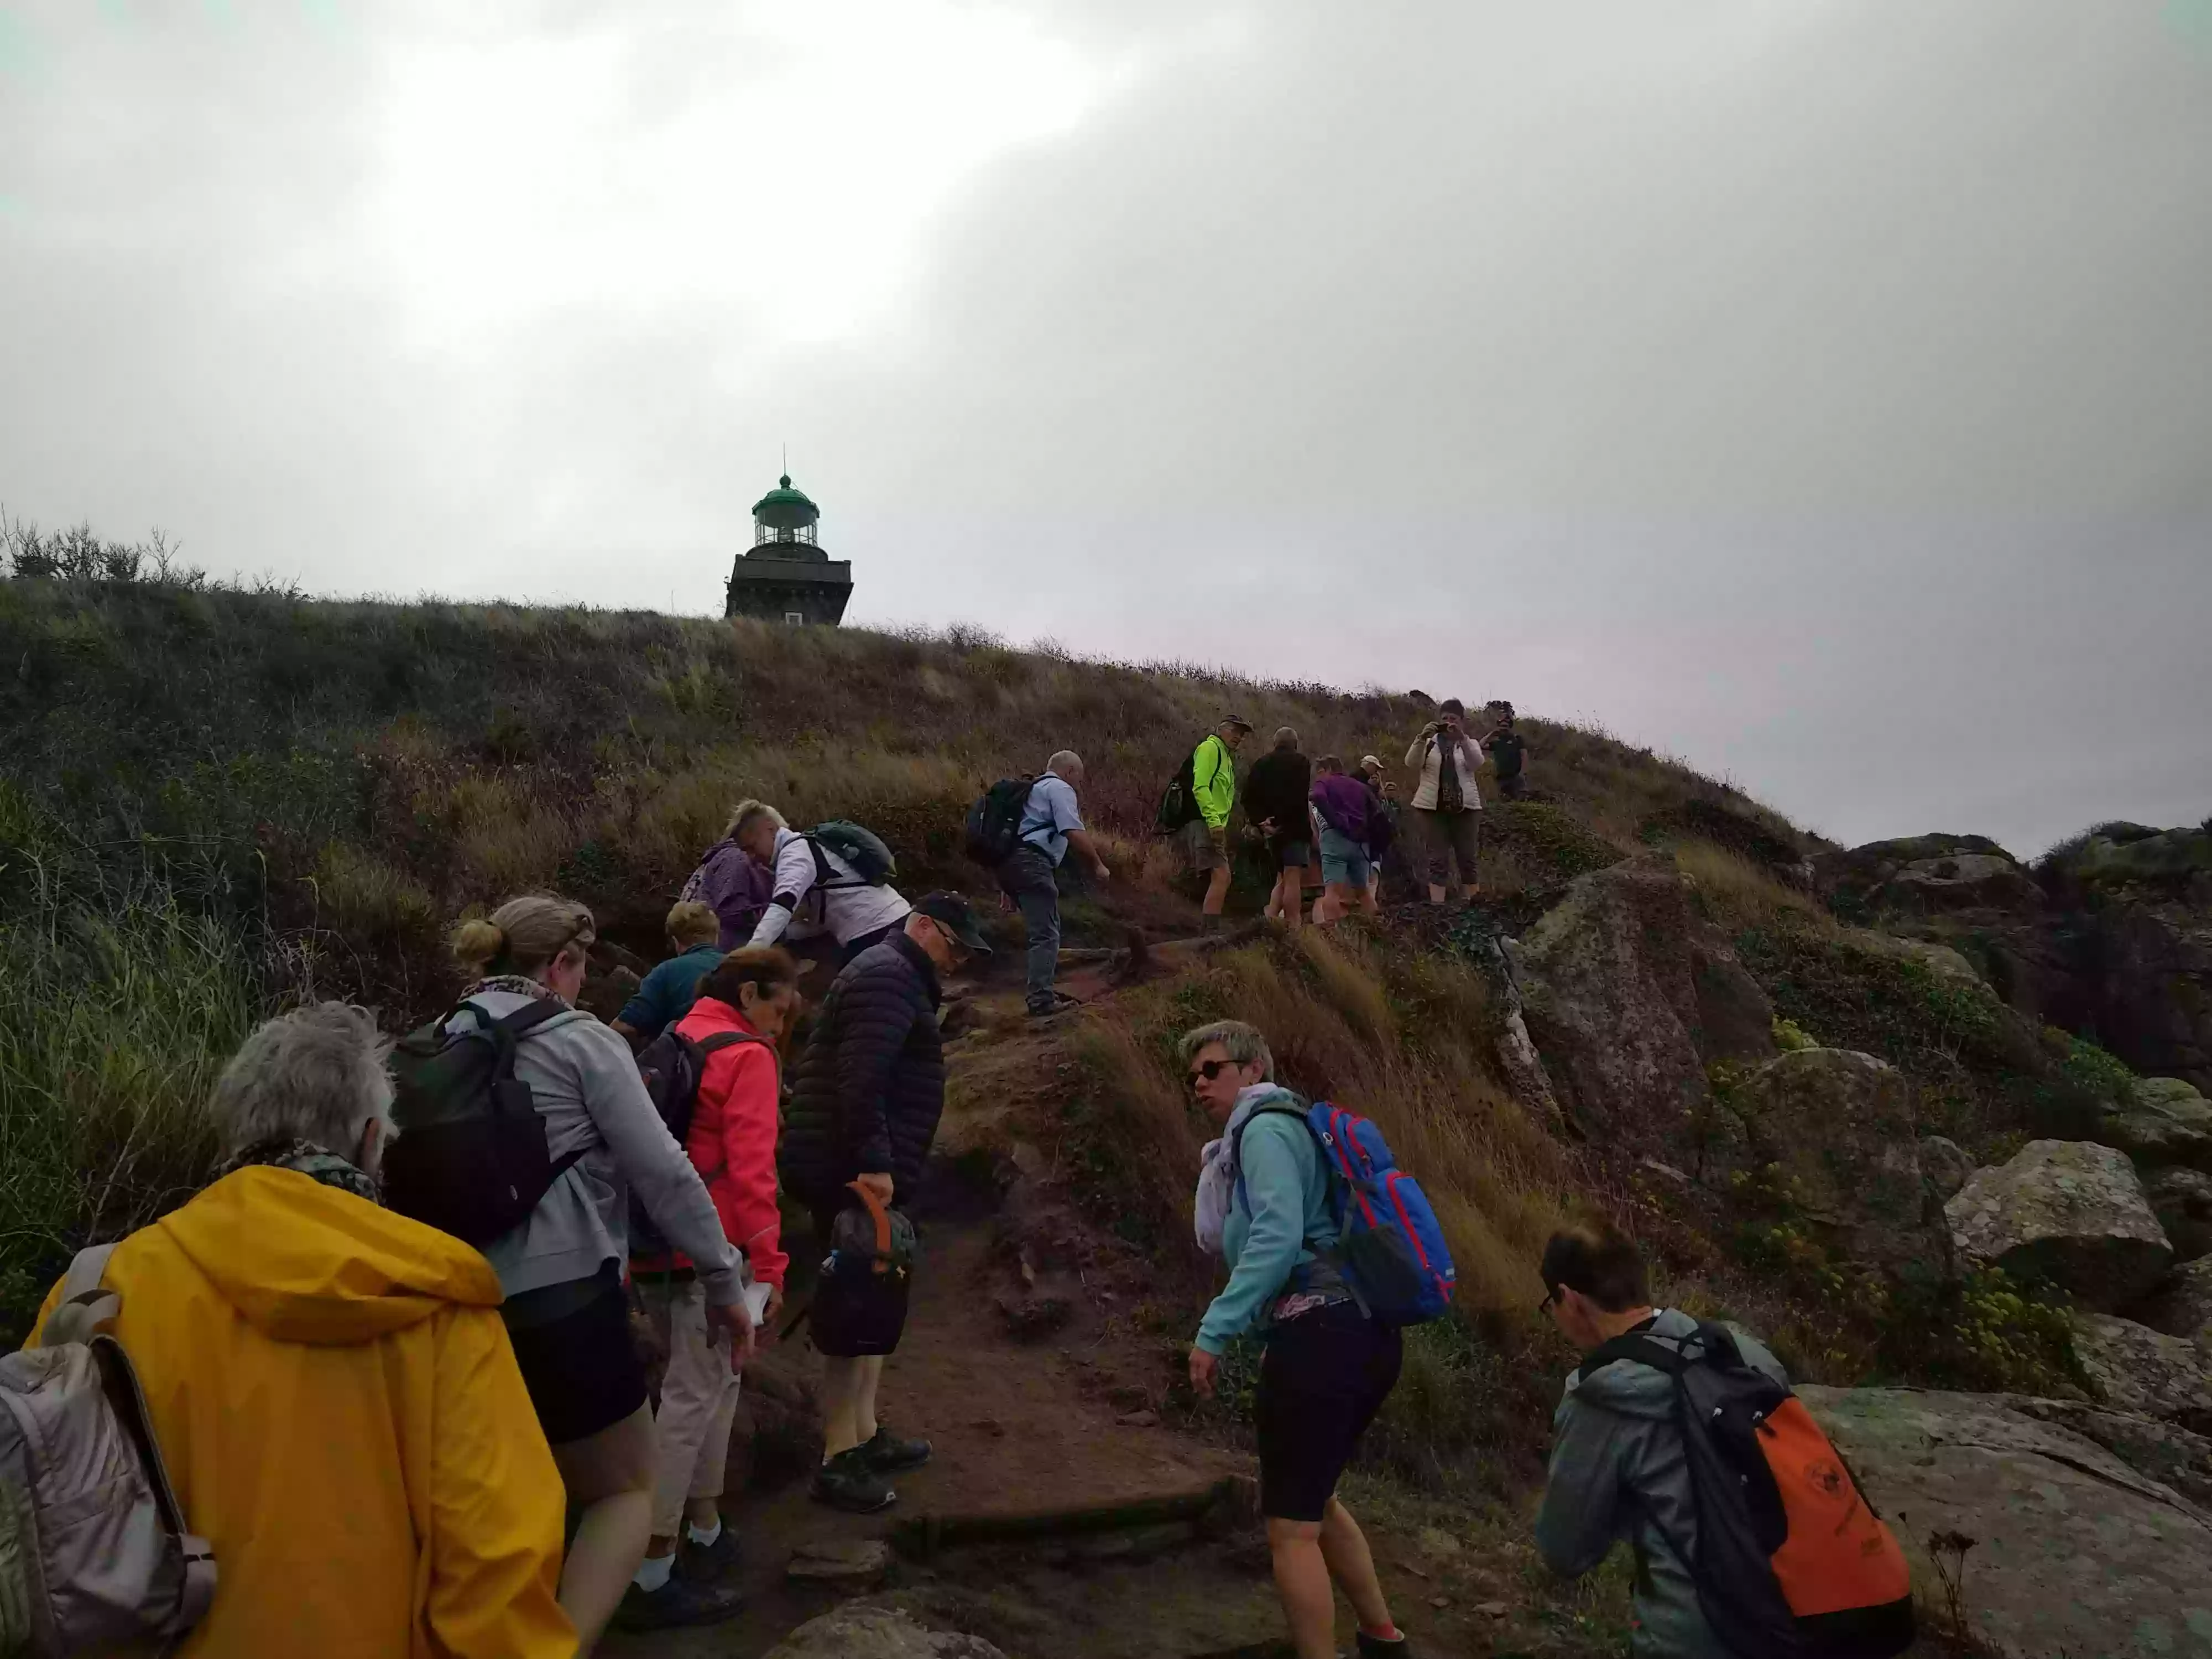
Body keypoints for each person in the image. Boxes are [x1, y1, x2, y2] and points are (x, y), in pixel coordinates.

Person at [21, 1003, 576, 1658]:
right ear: (372, 1140)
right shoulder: (435, 1298)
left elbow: (37, 1530)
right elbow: (498, 1569)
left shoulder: (95, 1289)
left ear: (235, 1136)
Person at [448, 895, 757, 1651]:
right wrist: (724, 1282)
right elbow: (666, 1174)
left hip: (455, 1302)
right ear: (561, 965)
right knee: (624, 1489)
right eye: (581, 969)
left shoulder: (439, 1036)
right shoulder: (578, 1040)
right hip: (565, 1297)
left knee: (518, 1491)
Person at [1182, 1020, 1411, 1659]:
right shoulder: (1290, 1128)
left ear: (1253, 1070)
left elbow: (1276, 1236)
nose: (1198, 1083)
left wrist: (1214, 1330)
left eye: (1212, 1069)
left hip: (1319, 1338)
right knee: (1316, 1498)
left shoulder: (1264, 1131)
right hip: (1363, 1333)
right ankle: (1382, 1639)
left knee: (1289, 1528)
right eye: (1193, 1075)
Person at [782, 893, 990, 1512]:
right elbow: (862, 1077)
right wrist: (875, 1162)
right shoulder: (888, 978)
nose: (957, 961)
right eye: (953, 945)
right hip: (851, 1171)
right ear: (920, 926)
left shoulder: (896, 974)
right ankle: (837, 1457)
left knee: (875, 1296)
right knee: (853, 1310)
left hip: (864, 1167)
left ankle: (864, 1434)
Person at [620, 947, 802, 1631]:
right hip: (715, 1254)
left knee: (713, 1384)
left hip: (654, 1250)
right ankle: (649, 1568)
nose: (780, 1028)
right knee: (695, 1397)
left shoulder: (679, 1037)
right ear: (750, 993)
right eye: (778, 1010)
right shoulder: (746, 1057)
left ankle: (703, 1528)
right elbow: (754, 1175)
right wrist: (771, 1266)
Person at [1535, 1221, 1793, 1658]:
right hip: (1799, 1612)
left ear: (1571, 1300)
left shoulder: (1600, 1396)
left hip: (1693, 1633)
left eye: (1550, 1305)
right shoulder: (1743, 1352)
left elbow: (1566, 1552)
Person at [996, 750, 1112, 1018]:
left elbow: (1014, 835)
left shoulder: (1032, 790)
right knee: (1046, 934)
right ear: (1070, 772)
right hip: (1033, 862)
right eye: (1078, 778)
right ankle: (1041, 1000)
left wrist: (1006, 885)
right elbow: (1071, 829)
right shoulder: (1059, 788)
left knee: (1042, 930)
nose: (1078, 785)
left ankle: (1040, 991)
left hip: (1011, 863)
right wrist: (1097, 864)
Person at [735, 799, 914, 963]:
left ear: (770, 828)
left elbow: (783, 904)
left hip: (877, 932)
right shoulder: (807, 847)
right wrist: (785, 934)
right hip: (895, 923)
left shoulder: (794, 853)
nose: (750, 858)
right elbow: (821, 923)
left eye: (752, 847)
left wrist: (748, 956)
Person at [1403, 698, 1485, 905]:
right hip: (1432, 809)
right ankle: (1437, 905)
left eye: (1454, 719)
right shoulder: (1429, 744)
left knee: (1467, 858)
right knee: (1437, 859)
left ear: (1462, 721)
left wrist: (1463, 739)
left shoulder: (1469, 743)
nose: (1449, 722)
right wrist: (1421, 738)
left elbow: (1476, 763)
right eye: (1445, 718)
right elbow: (1412, 763)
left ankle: (1474, 903)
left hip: (1466, 809)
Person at [612, 899, 725, 1047]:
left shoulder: (667, 971)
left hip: (689, 1059)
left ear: (675, 941)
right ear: (716, 936)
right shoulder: (740, 966)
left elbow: (625, 1026)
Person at [1182, 714, 1252, 919]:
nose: (1238, 737)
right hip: (1206, 822)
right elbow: (1200, 786)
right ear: (1221, 729)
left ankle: (1205, 929)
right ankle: (1209, 934)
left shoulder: (1225, 757)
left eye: (1242, 734)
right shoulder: (1210, 748)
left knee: (1216, 876)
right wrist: (1214, 822)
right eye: (1234, 731)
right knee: (1222, 876)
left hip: (1211, 823)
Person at [1243, 727, 1312, 931]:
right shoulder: (1301, 763)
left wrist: (1262, 822)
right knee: (1292, 877)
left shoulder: (1261, 764)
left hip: (1270, 830)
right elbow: (1298, 798)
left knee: (1281, 876)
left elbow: (1247, 797)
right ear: (1295, 743)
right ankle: (1293, 925)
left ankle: (1271, 918)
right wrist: (1283, 821)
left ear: (1275, 743)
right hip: (1294, 827)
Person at [681, 810, 776, 947]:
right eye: (772, 833)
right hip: (724, 954)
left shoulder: (733, 859)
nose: (776, 839)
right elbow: (732, 911)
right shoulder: (734, 858)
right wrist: (782, 910)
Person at [1309, 755, 1382, 924]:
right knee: (1363, 892)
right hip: (1361, 843)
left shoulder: (1325, 782)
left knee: (1332, 892)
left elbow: (1318, 797)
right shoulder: (1360, 786)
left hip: (1335, 838)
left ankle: (1336, 937)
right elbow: (1377, 812)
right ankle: (1378, 930)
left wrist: (1334, 821)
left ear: (1326, 770)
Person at [1481, 704, 1531, 801]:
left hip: (1516, 776)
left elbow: (1524, 756)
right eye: (1502, 726)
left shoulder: (1517, 739)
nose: (1504, 728)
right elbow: (1481, 745)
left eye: (1506, 726)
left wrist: (1522, 773)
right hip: (1501, 779)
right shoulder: (1497, 742)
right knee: (1504, 803)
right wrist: (1491, 734)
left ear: (1510, 727)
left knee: (1520, 802)